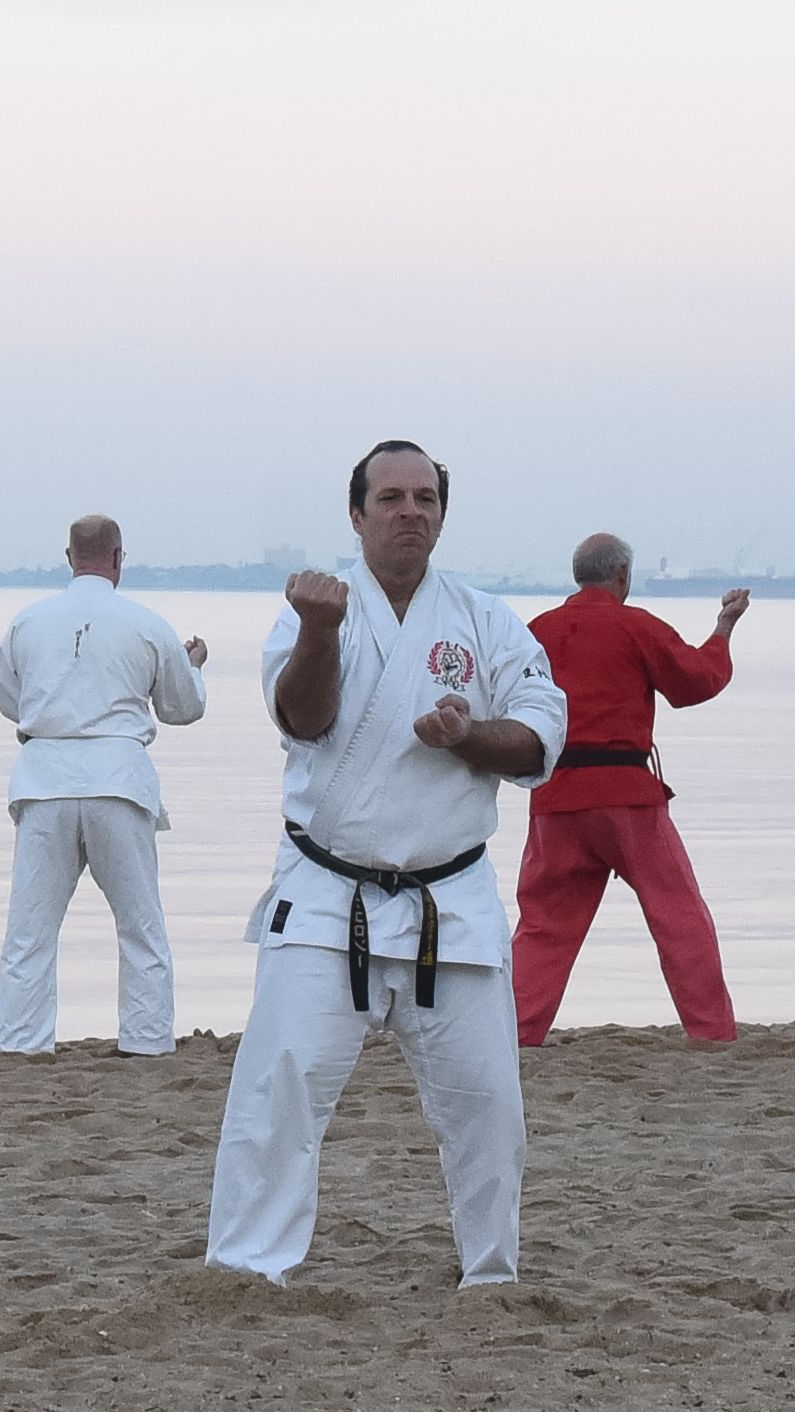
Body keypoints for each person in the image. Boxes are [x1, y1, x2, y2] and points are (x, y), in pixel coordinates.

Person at [205, 441, 566, 1288]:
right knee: (279, 1091)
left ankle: (491, 1273)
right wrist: (321, 630)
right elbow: (301, 718)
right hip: (329, 894)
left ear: (443, 512)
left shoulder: (485, 620)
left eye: (426, 498)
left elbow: (543, 733)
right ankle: (250, 1269)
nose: (411, 511)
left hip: (452, 900)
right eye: (392, 498)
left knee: (491, 1110)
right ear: (357, 515)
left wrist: (468, 735)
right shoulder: (314, 610)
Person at [508, 533, 748, 1046]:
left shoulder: (537, 632)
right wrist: (723, 629)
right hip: (625, 795)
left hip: (555, 795)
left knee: (544, 927)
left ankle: (514, 1032)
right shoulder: (634, 625)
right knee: (679, 915)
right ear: (622, 577)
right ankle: (711, 1034)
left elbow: (506, 703)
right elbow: (696, 681)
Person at [0, 515, 211, 1056]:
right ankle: (146, 1038)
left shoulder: (28, 622)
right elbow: (184, 707)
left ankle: (22, 1043)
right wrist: (192, 664)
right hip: (118, 780)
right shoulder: (146, 624)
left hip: (45, 780)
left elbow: (8, 698)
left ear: (69, 557)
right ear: (118, 559)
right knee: (140, 924)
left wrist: (56, 709)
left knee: (30, 931)